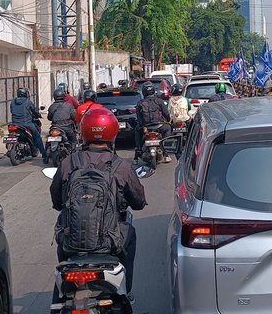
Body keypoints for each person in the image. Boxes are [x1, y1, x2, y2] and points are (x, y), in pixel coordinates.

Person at [50, 108, 146, 297]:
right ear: (113, 132)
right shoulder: (122, 166)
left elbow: (56, 200)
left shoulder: (69, 162)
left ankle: (60, 297)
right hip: (109, 241)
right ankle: (125, 290)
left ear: (83, 131)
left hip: (72, 241)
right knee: (130, 233)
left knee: (62, 238)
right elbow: (138, 202)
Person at [135, 82, 171, 161]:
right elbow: (166, 114)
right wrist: (168, 121)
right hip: (159, 125)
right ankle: (166, 152)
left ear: (144, 92)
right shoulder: (159, 101)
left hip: (146, 127)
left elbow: (139, 117)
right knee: (168, 128)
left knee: (137, 130)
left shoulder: (140, 103)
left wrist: (143, 126)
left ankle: (138, 150)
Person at [10, 87, 46, 159]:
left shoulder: (13, 102)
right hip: (26, 124)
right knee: (37, 136)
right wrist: (38, 115)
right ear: (26, 94)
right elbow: (34, 111)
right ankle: (43, 153)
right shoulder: (28, 102)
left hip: (15, 124)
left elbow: (12, 111)